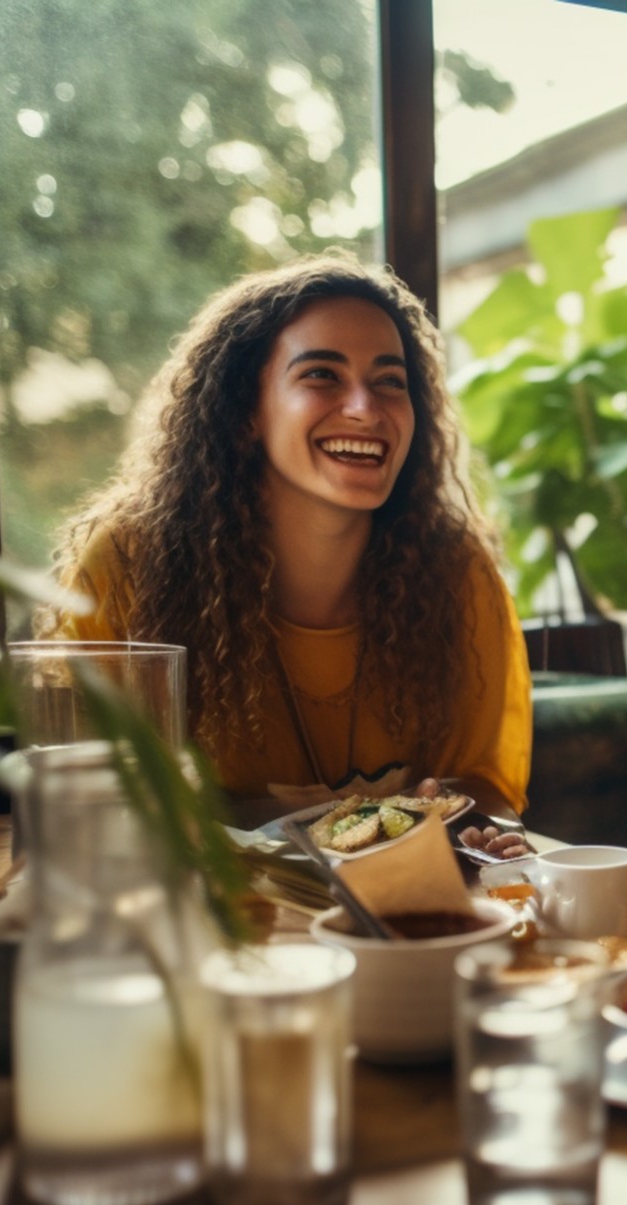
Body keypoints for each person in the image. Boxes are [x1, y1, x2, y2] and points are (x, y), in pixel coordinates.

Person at [49, 254, 532, 850]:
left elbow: (484, 791)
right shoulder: (130, 561)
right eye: (322, 375)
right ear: (247, 412)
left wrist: (475, 831)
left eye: (390, 380)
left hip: (401, 918)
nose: (365, 407)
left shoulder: (455, 570)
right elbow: (89, 798)